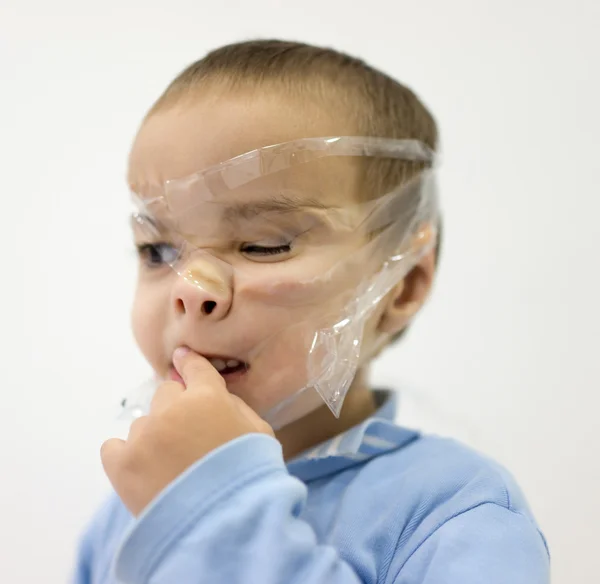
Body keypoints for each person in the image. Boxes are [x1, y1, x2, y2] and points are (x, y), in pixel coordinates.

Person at [72, 40, 550, 584]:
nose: (190, 289)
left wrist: (211, 511)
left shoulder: (453, 513)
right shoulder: (129, 509)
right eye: (157, 251)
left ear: (401, 284)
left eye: (264, 245)